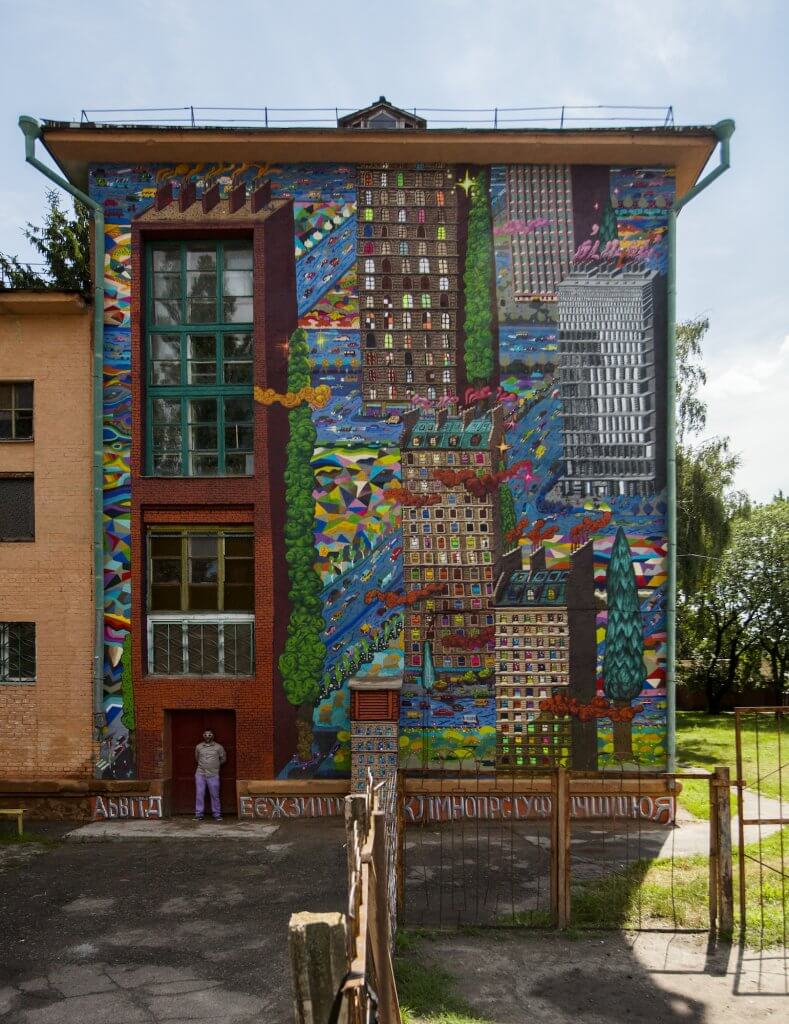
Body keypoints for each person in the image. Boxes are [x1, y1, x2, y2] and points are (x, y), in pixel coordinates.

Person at [194, 730, 226, 821]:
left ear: (213, 736)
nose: (207, 736)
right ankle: (199, 814)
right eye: (205, 734)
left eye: (209, 734)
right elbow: (197, 758)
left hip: (213, 774)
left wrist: (215, 765)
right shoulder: (199, 747)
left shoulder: (218, 747)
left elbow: (223, 759)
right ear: (203, 736)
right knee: (199, 794)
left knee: (214, 794)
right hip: (200, 773)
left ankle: (217, 814)